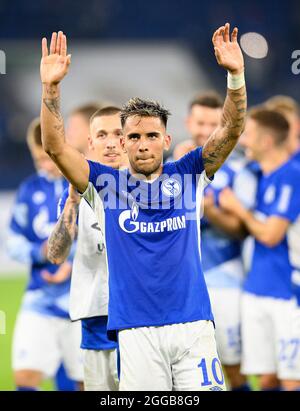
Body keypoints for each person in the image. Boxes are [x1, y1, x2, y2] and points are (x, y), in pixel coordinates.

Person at [40, 24, 247, 390]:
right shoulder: (105, 184)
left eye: (152, 135)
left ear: (166, 139)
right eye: (134, 136)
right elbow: (56, 148)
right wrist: (51, 89)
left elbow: (230, 130)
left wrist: (235, 76)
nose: (144, 144)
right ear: (123, 141)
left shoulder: (189, 173)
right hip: (135, 331)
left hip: (193, 326)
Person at [219, 107, 300, 391]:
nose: (243, 140)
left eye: (249, 134)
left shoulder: (292, 175)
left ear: (265, 141)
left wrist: (239, 210)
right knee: (265, 379)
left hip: (289, 293)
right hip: (256, 289)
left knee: (292, 379)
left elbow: (270, 235)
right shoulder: (258, 173)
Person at [48, 106, 128, 391]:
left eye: (118, 134)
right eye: (101, 134)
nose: (110, 142)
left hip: (140, 317)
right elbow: (55, 255)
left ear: (129, 138)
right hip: (96, 319)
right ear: (90, 142)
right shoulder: (77, 192)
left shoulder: (148, 188)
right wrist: (72, 203)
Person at [181, 91, 250, 391]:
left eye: (213, 124)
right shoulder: (169, 167)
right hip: (182, 282)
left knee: (232, 368)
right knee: (184, 371)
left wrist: (206, 205)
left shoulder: (237, 171)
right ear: (188, 122)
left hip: (224, 278)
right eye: (200, 123)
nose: (205, 131)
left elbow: (240, 228)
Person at [7, 118, 83, 391]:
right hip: (39, 297)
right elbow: (13, 241)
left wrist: (71, 262)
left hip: (80, 301)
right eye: (38, 159)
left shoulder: (83, 183)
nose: (44, 165)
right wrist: (40, 252)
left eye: (49, 159)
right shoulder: (29, 189)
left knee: (83, 381)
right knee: (25, 378)